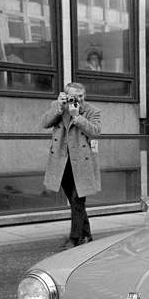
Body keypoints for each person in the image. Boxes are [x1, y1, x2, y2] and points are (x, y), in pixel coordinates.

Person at [41, 82, 102, 248]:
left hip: (82, 163)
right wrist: (59, 108)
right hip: (62, 163)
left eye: (82, 96)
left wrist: (77, 117)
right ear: (67, 96)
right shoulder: (58, 106)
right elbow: (45, 123)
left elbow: (95, 131)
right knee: (75, 202)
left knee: (77, 200)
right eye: (75, 97)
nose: (79, 100)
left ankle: (74, 238)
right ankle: (87, 234)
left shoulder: (92, 110)